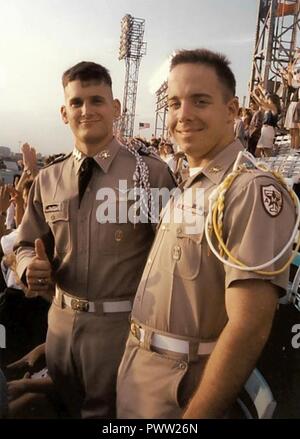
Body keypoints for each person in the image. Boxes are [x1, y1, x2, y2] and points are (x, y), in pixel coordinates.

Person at [116, 48, 296, 419]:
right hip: (139, 371)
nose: (183, 115)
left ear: (232, 111)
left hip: (181, 392)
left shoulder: (249, 190)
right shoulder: (193, 184)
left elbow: (249, 326)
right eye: (174, 102)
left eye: (200, 101)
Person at [14, 61, 175, 418]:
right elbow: (25, 242)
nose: (86, 111)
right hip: (59, 328)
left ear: (115, 108)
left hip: (121, 333)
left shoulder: (151, 174)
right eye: (76, 102)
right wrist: (30, 266)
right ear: (63, 112)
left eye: (97, 100)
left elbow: (174, 259)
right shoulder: (48, 179)